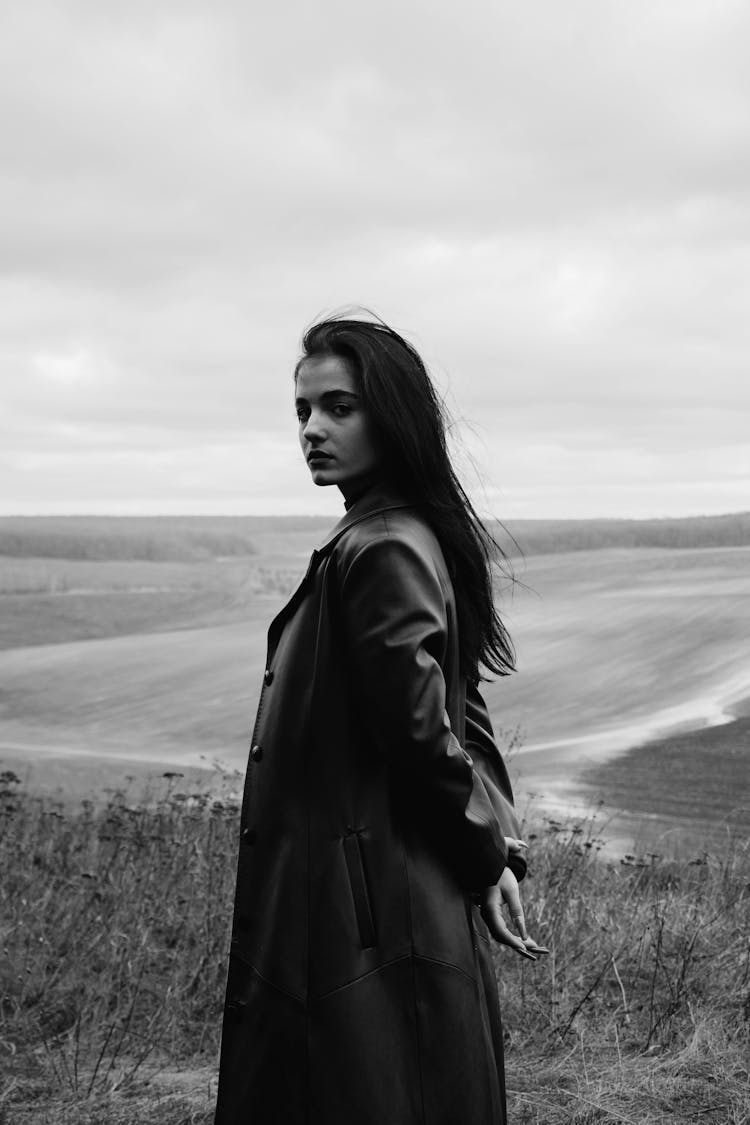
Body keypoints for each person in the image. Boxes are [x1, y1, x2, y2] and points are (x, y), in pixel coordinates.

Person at [214, 315, 547, 1125]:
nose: (313, 430)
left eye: (339, 407)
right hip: (378, 901)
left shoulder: (384, 546)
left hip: (362, 917)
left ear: (390, 415)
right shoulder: (386, 533)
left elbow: (427, 731)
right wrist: (493, 849)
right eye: (302, 411)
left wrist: (485, 854)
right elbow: (460, 715)